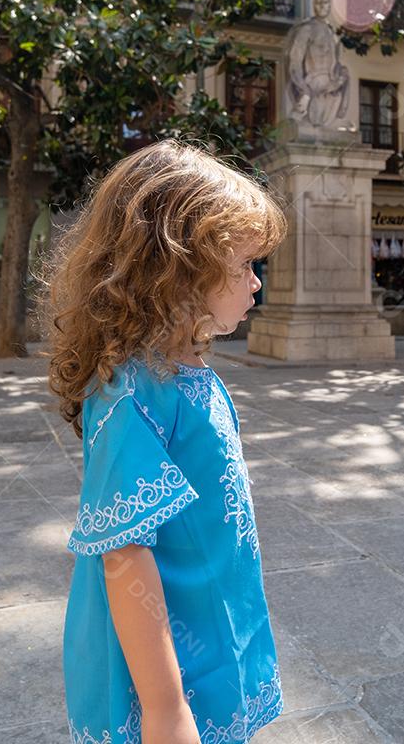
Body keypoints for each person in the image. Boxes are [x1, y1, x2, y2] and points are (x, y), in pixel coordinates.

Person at [46, 141, 288, 744]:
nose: (255, 284)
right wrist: (164, 710)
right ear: (180, 270)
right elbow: (125, 554)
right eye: (243, 266)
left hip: (210, 629)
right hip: (159, 667)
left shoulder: (186, 373)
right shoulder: (134, 394)